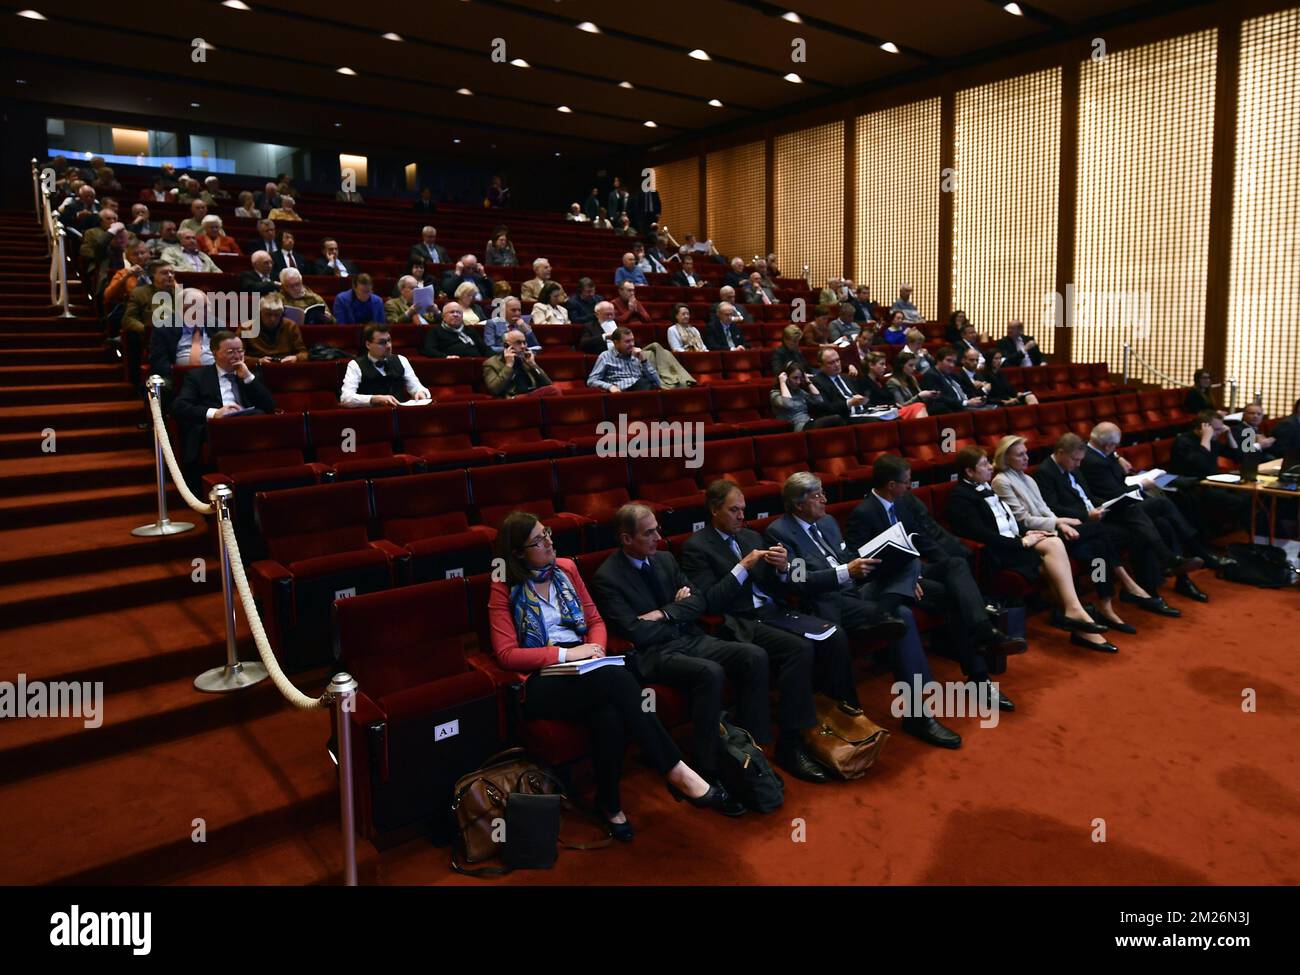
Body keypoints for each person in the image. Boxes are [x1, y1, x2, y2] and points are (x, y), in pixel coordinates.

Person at [489, 512, 733, 836]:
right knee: (616, 680)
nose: (549, 541)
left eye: (547, 533)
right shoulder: (503, 587)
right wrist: (567, 654)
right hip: (541, 681)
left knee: (608, 713)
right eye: (538, 540)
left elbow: (595, 622)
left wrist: (597, 650)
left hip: (586, 669)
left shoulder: (567, 569)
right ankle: (675, 770)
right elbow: (506, 654)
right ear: (518, 553)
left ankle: (610, 804)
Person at [681, 480, 861, 782]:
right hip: (739, 620)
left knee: (834, 634)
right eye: (734, 510)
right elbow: (710, 601)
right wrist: (742, 567)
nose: (741, 516)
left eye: (743, 510)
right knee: (799, 649)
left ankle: (838, 720)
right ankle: (791, 744)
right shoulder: (697, 546)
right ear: (714, 510)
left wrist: (782, 568)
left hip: (774, 611)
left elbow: (781, 584)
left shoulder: (752, 536)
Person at [765, 473, 960, 748]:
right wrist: (847, 570)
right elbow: (800, 580)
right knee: (902, 615)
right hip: (828, 602)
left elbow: (846, 558)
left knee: (909, 561)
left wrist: (864, 563)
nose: (825, 499)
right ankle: (917, 713)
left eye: (823, 493)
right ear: (797, 505)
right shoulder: (780, 532)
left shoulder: (829, 522)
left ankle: (884, 611)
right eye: (817, 495)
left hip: (857, 590)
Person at [591, 504, 760, 814]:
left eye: (657, 528)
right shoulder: (607, 577)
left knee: (752, 655)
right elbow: (635, 632)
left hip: (689, 638)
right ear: (626, 538)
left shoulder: (666, 559)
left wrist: (664, 613)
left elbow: (699, 601)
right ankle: (707, 767)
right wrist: (675, 614)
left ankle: (750, 747)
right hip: (653, 654)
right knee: (709, 673)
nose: (659, 536)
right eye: (649, 532)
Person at [845, 455, 1026, 705]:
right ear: (891, 485)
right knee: (954, 600)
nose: (910, 486)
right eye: (906, 482)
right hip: (889, 582)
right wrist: (905, 579)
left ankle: (983, 633)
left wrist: (939, 563)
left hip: (918, 571)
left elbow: (924, 541)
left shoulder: (905, 502)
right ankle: (980, 674)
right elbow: (862, 563)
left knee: (956, 564)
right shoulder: (863, 514)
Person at [945, 446, 1120, 653]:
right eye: (984, 465)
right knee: (1057, 549)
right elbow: (981, 535)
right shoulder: (960, 497)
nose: (990, 467)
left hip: (1014, 542)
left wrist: (1028, 533)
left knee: (1055, 545)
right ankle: (1077, 617)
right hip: (997, 552)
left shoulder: (987, 486)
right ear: (969, 472)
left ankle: (1076, 617)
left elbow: (1009, 521)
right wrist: (1021, 542)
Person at [992, 435, 1139, 634]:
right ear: (1005, 458)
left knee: (1098, 548)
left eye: (1026, 453)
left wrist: (1060, 524)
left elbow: (1045, 509)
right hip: (1038, 536)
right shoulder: (1001, 481)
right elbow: (1022, 520)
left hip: (1054, 531)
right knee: (1099, 529)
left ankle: (1105, 602)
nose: (1026, 458)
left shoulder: (1027, 478)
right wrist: (1061, 523)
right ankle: (1124, 584)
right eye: (1020, 455)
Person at [1035, 433, 1189, 616]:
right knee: (1104, 549)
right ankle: (1118, 596)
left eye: (1079, 460)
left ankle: (1140, 591)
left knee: (1143, 520)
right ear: (1060, 453)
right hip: (1078, 528)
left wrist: (1107, 506)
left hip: (1094, 521)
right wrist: (1087, 515)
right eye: (1075, 460)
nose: (1078, 464)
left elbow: (1088, 498)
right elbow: (1052, 508)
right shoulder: (1045, 473)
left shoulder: (1073, 467)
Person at [1082, 422, 1219, 584]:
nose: (1116, 449)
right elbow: (1114, 493)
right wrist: (1142, 485)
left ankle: (1179, 574)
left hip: (1125, 502)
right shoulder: (1093, 462)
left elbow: (1108, 456)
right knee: (1162, 504)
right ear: (1107, 445)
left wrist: (1118, 457)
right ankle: (1195, 548)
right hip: (1112, 509)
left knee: (1164, 523)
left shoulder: (1098, 450)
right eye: (1115, 446)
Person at [170, 329, 275, 494]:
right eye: (230, 352)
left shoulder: (249, 374)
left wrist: (248, 377)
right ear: (215, 353)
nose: (237, 356)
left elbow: (270, 406)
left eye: (240, 351)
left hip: (246, 423)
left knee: (260, 416)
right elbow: (179, 407)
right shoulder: (197, 376)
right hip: (216, 427)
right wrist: (215, 413)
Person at [340, 323, 431, 407]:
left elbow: (416, 387)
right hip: (371, 416)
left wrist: (420, 392)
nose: (388, 346)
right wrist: (373, 399)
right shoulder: (355, 365)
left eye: (389, 341)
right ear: (368, 344)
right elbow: (345, 398)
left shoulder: (401, 360)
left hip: (400, 415)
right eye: (382, 342)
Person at [484, 329, 558, 398]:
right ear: (506, 345)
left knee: (552, 390)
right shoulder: (491, 363)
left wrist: (533, 365)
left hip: (533, 395)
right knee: (553, 391)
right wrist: (508, 365)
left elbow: (548, 383)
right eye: (518, 343)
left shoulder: (525, 360)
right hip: (515, 399)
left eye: (524, 342)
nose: (523, 346)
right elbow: (494, 390)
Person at [587, 327, 661, 393]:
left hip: (642, 388)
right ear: (616, 343)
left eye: (632, 340)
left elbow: (657, 382)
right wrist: (610, 387)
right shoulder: (605, 356)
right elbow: (591, 381)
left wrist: (644, 360)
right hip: (623, 392)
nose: (632, 344)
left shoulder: (637, 354)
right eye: (627, 341)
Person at [771, 364, 842, 431]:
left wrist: (808, 381)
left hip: (809, 422)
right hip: (798, 427)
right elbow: (789, 404)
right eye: (795, 378)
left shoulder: (799, 392)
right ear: (786, 377)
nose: (798, 382)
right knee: (836, 419)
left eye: (800, 378)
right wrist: (782, 382)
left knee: (837, 421)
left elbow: (819, 400)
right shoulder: (775, 393)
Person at [242, 293, 307, 365]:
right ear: (260, 312)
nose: (272, 319)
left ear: (281, 314)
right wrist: (258, 361)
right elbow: (237, 357)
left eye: (277, 315)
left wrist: (296, 358)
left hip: (285, 366)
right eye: (268, 314)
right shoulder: (246, 328)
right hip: (258, 369)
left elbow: (303, 353)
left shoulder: (290, 326)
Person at [811, 348, 874, 421]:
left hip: (863, 412)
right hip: (845, 418)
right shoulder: (817, 382)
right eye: (831, 363)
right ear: (821, 365)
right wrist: (849, 403)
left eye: (838, 360)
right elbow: (826, 408)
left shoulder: (846, 377)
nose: (837, 364)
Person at [922, 346, 985, 413]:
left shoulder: (952, 374)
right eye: (948, 360)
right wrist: (966, 403)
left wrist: (975, 399)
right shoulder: (931, 375)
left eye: (954, 362)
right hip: (952, 410)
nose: (952, 365)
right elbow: (940, 398)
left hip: (966, 407)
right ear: (938, 360)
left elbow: (967, 390)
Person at [421, 301, 490, 359]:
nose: (456, 315)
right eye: (452, 312)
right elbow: (429, 350)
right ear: (444, 316)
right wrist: (446, 357)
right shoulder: (435, 331)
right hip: (452, 365)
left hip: (476, 363)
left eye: (458, 312)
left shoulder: (470, 330)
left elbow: (484, 348)